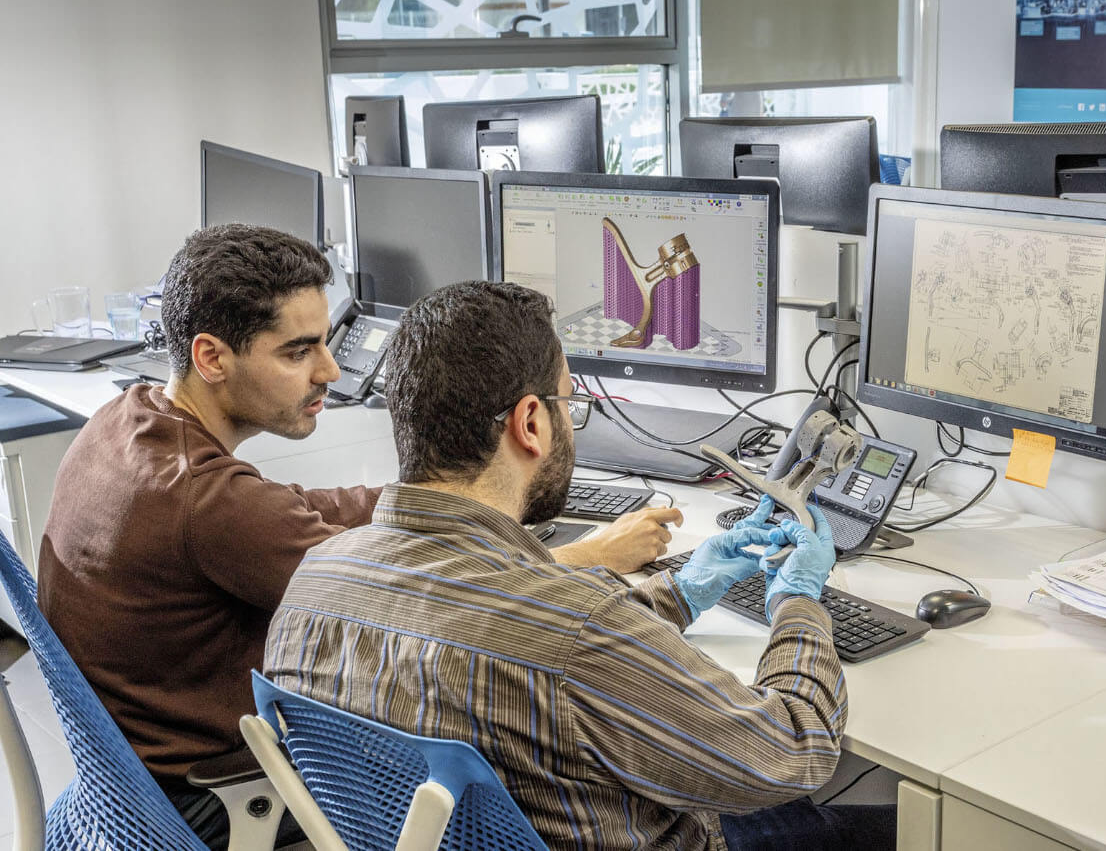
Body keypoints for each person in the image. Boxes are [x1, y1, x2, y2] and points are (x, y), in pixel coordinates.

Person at [37, 225, 673, 847]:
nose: (330, 370)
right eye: (297, 351)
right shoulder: (205, 502)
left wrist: (440, 499)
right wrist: (589, 555)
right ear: (211, 357)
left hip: (127, 783)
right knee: (532, 759)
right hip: (218, 793)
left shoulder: (130, 422)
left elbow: (294, 506)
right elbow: (425, 601)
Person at [264, 282, 895, 850]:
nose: (572, 419)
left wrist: (682, 590)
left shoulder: (315, 578)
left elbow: (544, 647)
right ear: (531, 422)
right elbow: (797, 749)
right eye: (570, 403)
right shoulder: (581, 631)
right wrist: (798, 602)